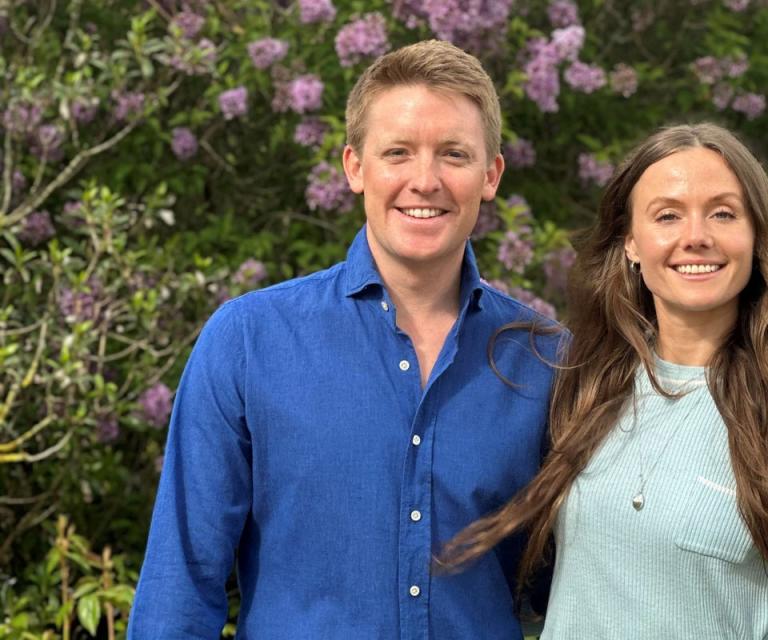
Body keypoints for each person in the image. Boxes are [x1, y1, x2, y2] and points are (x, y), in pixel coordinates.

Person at [128, 40, 560, 639]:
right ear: (355, 167)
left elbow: (578, 582)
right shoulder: (249, 341)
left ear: (490, 175)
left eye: (454, 154)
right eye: (398, 153)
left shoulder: (546, 360)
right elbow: (181, 588)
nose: (425, 180)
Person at [442, 123, 768, 639]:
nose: (696, 237)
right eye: (668, 215)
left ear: (756, 236)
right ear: (631, 244)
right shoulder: (582, 384)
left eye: (723, 213)